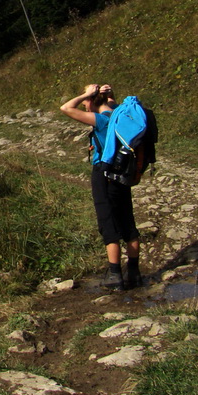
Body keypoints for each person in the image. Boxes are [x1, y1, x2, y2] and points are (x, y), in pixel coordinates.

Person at [60, 84, 141, 290]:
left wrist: (85, 94)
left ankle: (115, 274)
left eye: (87, 99)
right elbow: (108, 103)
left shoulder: (101, 120)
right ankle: (134, 273)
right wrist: (106, 94)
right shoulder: (117, 114)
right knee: (127, 220)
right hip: (122, 173)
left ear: (93, 100)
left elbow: (66, 108)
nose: (85, 103)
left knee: (108, 221)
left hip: (103, 173)